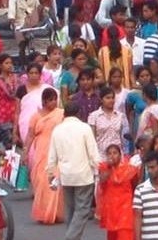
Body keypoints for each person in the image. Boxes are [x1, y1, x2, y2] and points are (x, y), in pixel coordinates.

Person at [48, 102, 100, 240]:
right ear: (78, 114)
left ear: (64, 114)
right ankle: (70, 238)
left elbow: (52, 156)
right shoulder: (85, 128)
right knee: (82, 211)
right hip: (84, 175)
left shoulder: (57, 130)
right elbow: (93, 153)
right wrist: (99, 169)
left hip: (66, 176)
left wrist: (50, 174)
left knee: (71, 211)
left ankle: (72, 236)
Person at [27, 86, 64, 224]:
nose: (53, 103)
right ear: (43, 101)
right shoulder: (36, 116)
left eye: (55, 99)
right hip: (41, 150)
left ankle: (54, 213)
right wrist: (25, 153)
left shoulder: (61, 113)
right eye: (50, 100)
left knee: (54, 179)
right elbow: (30, 135)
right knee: (41, 180)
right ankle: (43, 213)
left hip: (56, 148)